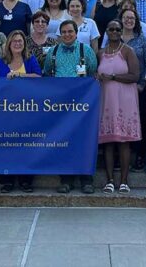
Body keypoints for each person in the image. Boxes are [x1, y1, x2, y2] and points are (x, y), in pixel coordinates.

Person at [43, 20, 99, 194]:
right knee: (62, 141)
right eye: (64, 32)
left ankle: (86, 180)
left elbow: (92, 72)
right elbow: (47, 73)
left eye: (70, 32)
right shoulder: (53, 52)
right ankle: (66, 179)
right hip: (60, 105)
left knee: (83, 141)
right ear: (60, 34)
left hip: (81, 106)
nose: (67, 35)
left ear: (76, 33)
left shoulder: (86, 50)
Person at [0, 30, 42, 193]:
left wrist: (20, 76)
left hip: (27, 110)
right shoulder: (0, 63)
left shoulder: (30, 60)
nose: (18, 44)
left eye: (20, 41)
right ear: (9, 44)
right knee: (6, 145)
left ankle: (26, 180)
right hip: (5, 111)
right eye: (14, 41)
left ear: (24, 44)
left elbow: (39, 78)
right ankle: (7, 180)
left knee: (27, 145)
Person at [96, 20, 142, 194]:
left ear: (121, 31)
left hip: (125, 100)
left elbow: (135, 76)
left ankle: (124, 181)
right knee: (108, 141)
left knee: (124, 142)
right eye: (111, 29)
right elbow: (97, 73)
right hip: (107, 100)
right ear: (106, 31)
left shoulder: (128, 51)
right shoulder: (100, 53)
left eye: (117, 29)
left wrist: (114, 77)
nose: (114, 31)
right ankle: (109, 180)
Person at [114, 7, 146, 171]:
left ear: (136, 22)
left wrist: (142, 84)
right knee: (119, 121)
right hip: (117, 89)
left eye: (132, 18)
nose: (129, 20)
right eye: (126, 17)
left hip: (139, 89)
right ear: (121, 19)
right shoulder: (114, 39)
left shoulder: (142, 40)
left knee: (141, 122)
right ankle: (119, 158)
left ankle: (139, 156)